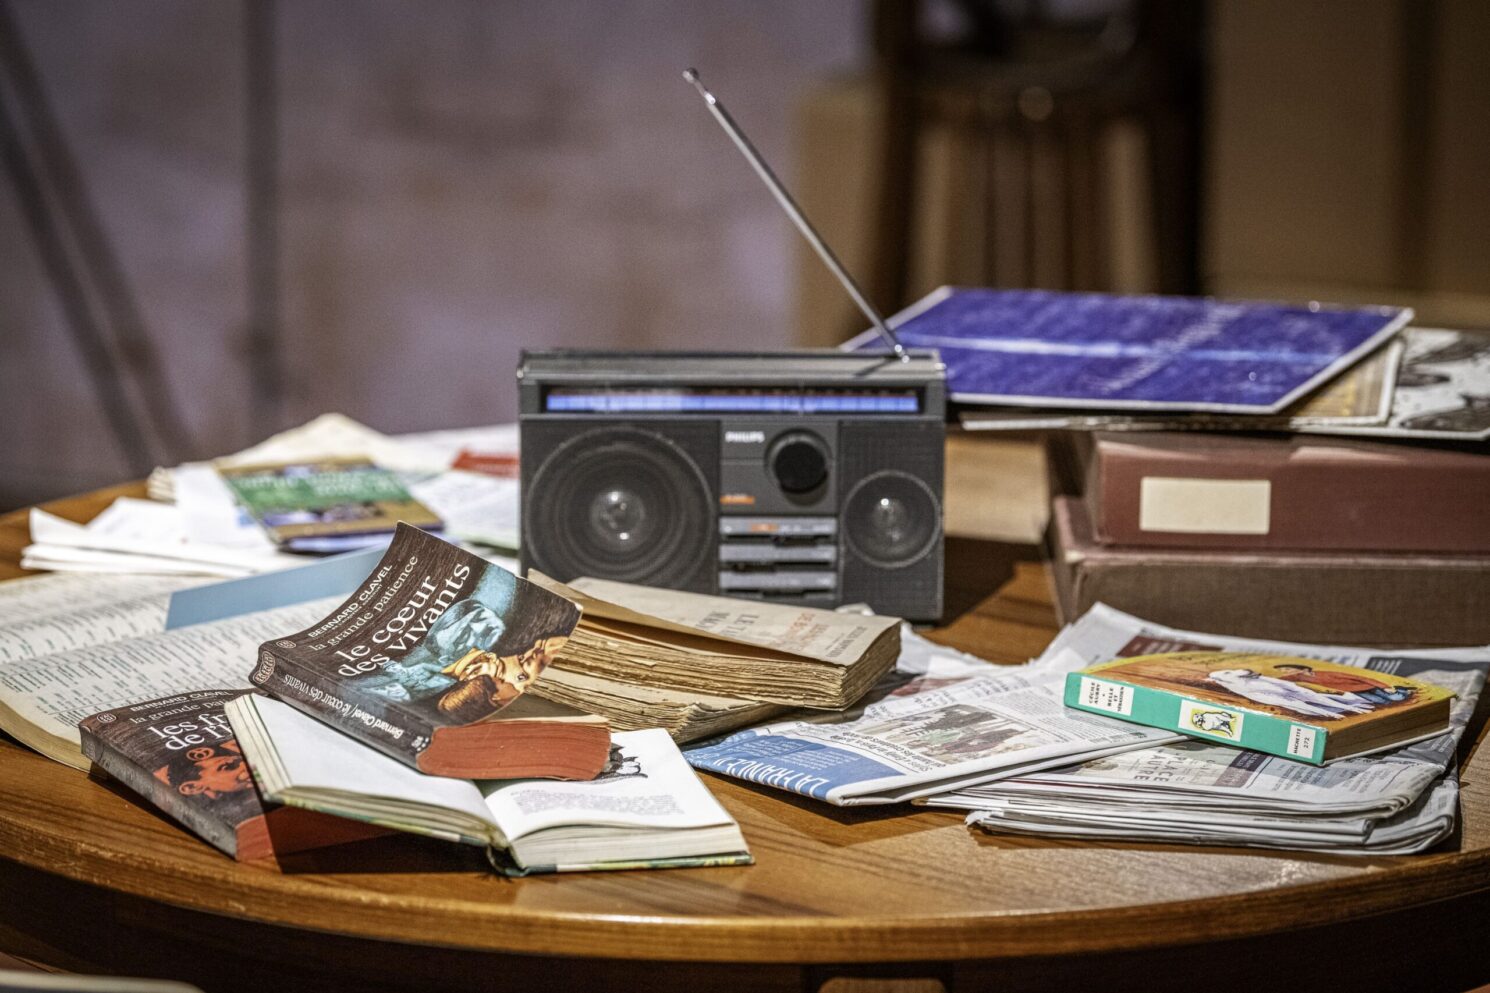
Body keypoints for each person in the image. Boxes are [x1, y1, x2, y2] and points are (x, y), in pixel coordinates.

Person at [1272, 663, 1414, 705]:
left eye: (1288, 669)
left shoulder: (1324, 673)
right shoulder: (1300, 677)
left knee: (1396, 698)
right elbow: (1282, 681)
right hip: (1353, 691)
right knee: (1381, 702)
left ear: (1303, 667)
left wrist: (1384, 686)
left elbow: (1355, 676)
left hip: (1367, 685)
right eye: (1284, 670)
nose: (1286, 672)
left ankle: (1401, 690)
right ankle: (1399, 692)